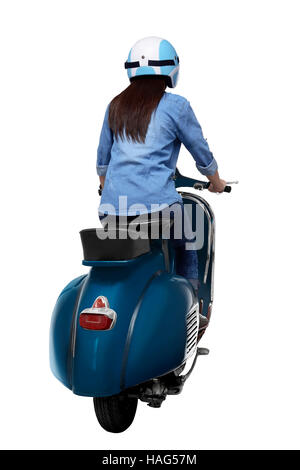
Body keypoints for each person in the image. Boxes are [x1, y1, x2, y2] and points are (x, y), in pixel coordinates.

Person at [96, 37, 226, 328]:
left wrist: (106, 188)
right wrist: (215, 180)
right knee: (187, 242)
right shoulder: (176, 106)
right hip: (158, 210)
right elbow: (199, 149)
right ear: (171, 70)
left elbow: (102, 161)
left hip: (112, 211)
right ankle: (191, 310)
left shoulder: (115, 105)